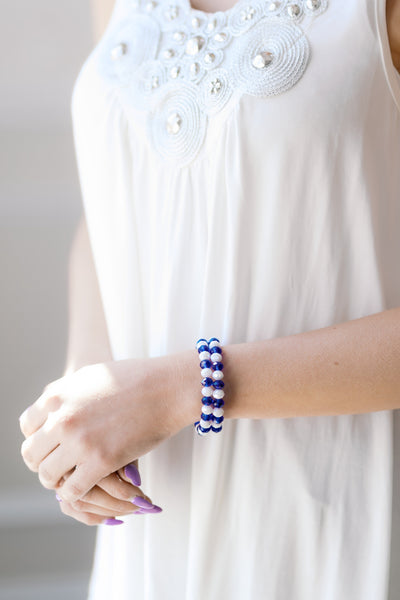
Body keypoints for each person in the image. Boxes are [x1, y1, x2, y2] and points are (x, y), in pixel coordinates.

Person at [19, 0, 400, 597]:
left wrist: (181, 388)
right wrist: (87, 394)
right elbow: (112, 205)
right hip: (154, 531)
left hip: (335, 516)